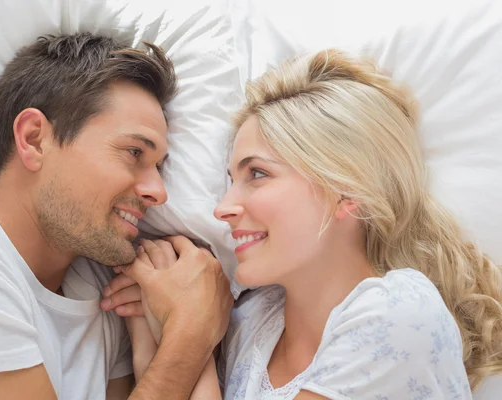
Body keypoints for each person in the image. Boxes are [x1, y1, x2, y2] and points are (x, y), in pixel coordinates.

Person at [114, 49, 502, 399]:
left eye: (258, 174)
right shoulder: (254, 322)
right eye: (232, 180)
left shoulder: (399, 312)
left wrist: (189, 328)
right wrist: (151, 326)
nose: (224, 207)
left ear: (346, 191)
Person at [0, 33, 233, 400]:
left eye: (159, 166)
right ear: (34, 139)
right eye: (134, 152)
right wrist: (190, 336)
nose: (159, 191)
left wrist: (158, 334)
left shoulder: (99, 286)